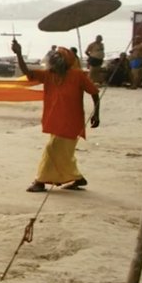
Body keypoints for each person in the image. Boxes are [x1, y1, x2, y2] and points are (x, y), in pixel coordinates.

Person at [11, 41, 100, 193]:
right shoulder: (49, 75)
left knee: (51, 149)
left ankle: (40, 182)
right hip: (55, 120)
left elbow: (94, 92)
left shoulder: (77, 75)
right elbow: (27, 72)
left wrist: (96, 114)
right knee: (63, 153)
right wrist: (19, 53)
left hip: (71, 121)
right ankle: (77, 178)